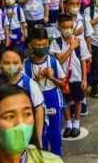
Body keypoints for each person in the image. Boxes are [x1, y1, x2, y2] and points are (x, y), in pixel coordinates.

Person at [24, 28, 67, 156]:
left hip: (52, 96)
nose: (41, 48)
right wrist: (35, 80)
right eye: (38, 45)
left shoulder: (52, 61)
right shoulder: (26, 65)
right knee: (39, 131)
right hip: (35, 100)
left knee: (55, 130)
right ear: (31, 45)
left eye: (44, 45)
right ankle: (42, 157)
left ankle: (56, 157)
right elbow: (23, 87)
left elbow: (63, 84)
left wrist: (51, 77)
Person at [51, 14, 89, 139]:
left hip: (77, 77)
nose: (68, 30)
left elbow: (83, 60)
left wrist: (84, 79)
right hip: (63, 79)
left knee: (78, 100)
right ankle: (68, 123)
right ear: (59, 28)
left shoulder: (80, 41)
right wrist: (71, 48)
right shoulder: (56, 43)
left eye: (70, 27)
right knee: (65, 101)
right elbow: (60, 60)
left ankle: (76, 123)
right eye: (64, 27)